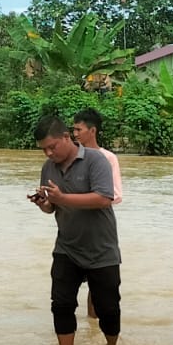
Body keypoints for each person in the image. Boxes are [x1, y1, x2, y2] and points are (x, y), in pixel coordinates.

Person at [30, 115, 120, 345]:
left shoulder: (95, 161)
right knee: (61, 305)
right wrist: (44, 204)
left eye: (52, 146)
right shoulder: (48, 167)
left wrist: (62, 198)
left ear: (67, 137)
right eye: (44, 149)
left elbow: (103, 198)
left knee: (108, 310)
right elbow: (52, 207)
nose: (48, 153)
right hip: (67, 247)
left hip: (102, 249)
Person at [71, 108, 122, 320]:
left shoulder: (108, 158)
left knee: (98, 283)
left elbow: (115, 194)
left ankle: (94, 325)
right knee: (67, 285)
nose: (75, 134)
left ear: (92, 131)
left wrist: (83, 198)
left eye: (79, 129)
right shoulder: (69, 155)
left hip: (99, 229)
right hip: (73, 228)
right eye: (73, 129)